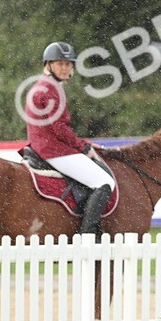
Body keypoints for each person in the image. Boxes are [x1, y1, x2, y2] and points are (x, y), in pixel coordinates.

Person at [25, 41, 114, 237]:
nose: (65, 68)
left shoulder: (44, 86)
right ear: (48, 65)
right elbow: (60, 129)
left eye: (68, 64)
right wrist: (83, 147)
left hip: (44, 146)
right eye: (60, 64)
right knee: (105, 182)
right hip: (53, 150)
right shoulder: (50, 89)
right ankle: (89, 234)